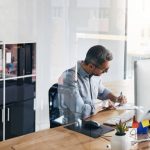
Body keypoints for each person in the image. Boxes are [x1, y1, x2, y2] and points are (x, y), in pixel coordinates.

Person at [58, 45, 127, 123]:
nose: (106, 72)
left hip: (91, 120)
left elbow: (102, 91)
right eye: (104, 70)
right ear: (91, 66)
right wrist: (103, 104)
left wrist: (116, 99)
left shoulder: (94, 74)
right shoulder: (69, 77)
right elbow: (81, 112)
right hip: (72, 126)